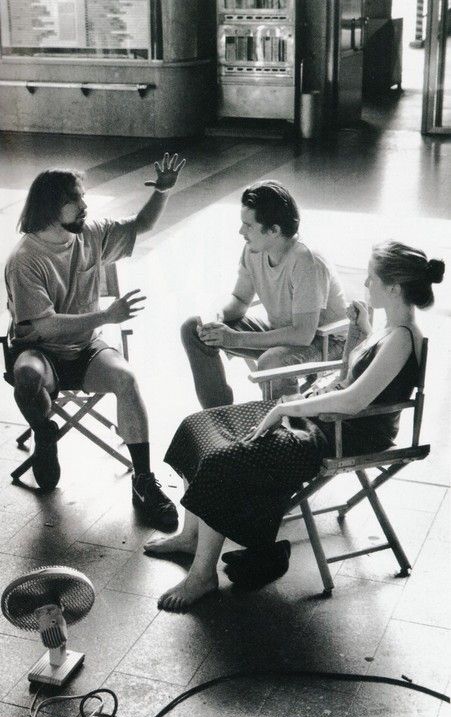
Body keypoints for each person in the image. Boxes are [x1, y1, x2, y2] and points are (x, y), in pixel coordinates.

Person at [144, 240, 444, 612]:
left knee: (225, 459)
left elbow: (353, 400)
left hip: (338, 435)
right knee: (200, 426)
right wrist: (360, 333)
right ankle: (191, 536)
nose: (366, 283)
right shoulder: (390, 329)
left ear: (395, 287)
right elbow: (351, 377)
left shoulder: (400, 338)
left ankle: (203, 575)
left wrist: (288, 407)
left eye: (372, 277)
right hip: (322, 419)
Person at [5, 152, 185, 531]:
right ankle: (44, 432)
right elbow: (47, 326)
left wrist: (163, 192)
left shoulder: (90, 233)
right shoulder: (25, 259)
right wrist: (106, 315)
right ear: (54, 207)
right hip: (40, 349)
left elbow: (142, 225)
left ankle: (143, 481)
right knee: (26, 376)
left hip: (86, 348)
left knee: (127, 380)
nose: (85, 205)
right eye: (77, 199)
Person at [181, 180, 347, 406]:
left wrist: (236, 338)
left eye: (248, 225)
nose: (241, 231)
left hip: (325, 340)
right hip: (283, 331)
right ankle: (220, 414)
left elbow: (303, 335)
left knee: (271, 362)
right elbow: (240, 300)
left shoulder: (307, 260)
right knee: (195, 328)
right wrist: (216, 315)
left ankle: (285, 430)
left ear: (274, 230)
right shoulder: (254, 248)